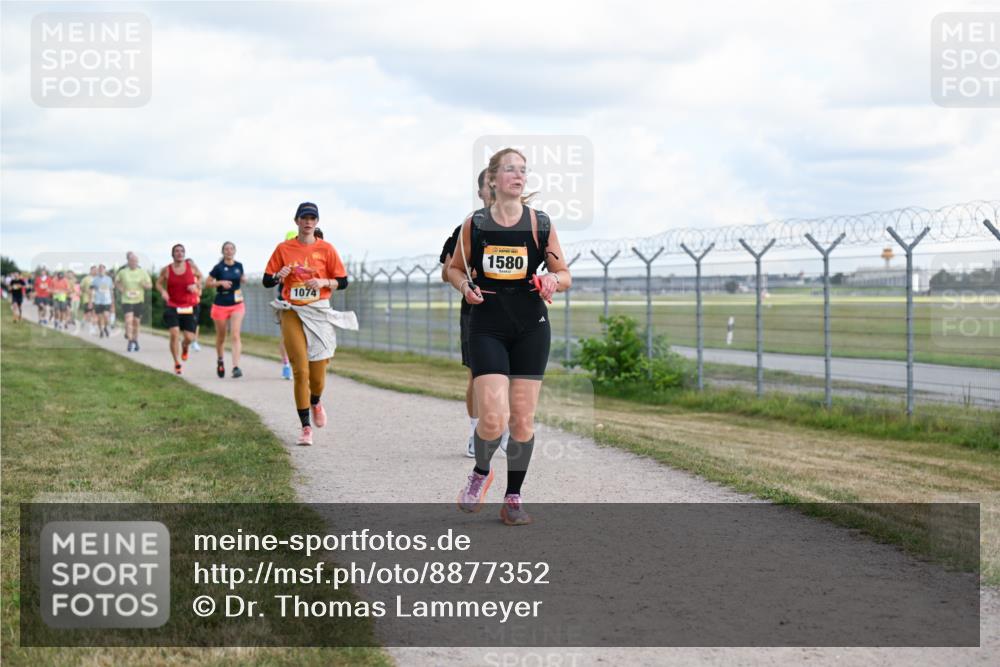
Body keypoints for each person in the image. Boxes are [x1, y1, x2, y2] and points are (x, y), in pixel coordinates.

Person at [447, 148, 572, 526]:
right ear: (493, 179)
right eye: (510, 170)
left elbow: (564, 274)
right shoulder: (476, 224)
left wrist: (552, 278)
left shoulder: (541, 223)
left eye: (523, 170)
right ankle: (481, 472)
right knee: (493, 420)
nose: (518, 175)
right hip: (487, 326)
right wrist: (465, 285)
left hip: (531, 326)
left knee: (521, 421)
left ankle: (513, 498)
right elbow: (453, 269)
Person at [263, 202, 354, 446]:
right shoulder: (284, 248)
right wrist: (278, 276)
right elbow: (266, 280)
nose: (308, 222)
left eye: (312, 218)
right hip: (293, 311)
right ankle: (305, 427)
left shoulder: (326, 249)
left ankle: (315, 401)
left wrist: (324, 282)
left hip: (318, 311)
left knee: (318, 374)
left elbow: (343, 281)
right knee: (300, 370)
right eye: (304, 218)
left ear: (317, 222)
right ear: (297, 221)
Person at [440, 168, 510, 457]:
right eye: (489, 187)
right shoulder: (466, 229)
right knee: (478, 374)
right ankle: (476, 432)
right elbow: (447, 271)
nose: (494, 192)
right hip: (477, 310)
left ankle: (503, 428)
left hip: (513, 310)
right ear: (481, 192)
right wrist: (469, 278)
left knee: (512, 375)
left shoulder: (520, 227)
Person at [155, 244, 203, 374]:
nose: (179, 253)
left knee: (189, 337)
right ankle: (177, 362)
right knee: (174, 333)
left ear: (184, 254)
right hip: (173, 305)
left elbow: (201, 277)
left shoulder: (191, 267)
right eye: (177, 251)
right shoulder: (167, 270)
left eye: (182, 251)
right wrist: (163, 291)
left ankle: (185, 346)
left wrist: (195, 284)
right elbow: (158, 283)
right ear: (173, 254)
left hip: (189, 306)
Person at [206, 242, 246, 378]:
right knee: (221, 337)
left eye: (231, 249)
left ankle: (236, 367)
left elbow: (241, 278)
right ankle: (220, 360)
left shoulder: (239, 265)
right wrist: (220, 283)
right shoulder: (218, 267)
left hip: (237, 304)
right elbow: (207, 283)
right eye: (226, 249)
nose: (229, 251)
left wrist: (244, 279)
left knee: (235, 335)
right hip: (220, 304)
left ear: (235, 251)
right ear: (222, 252)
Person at [115, 252, 153, 352]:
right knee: (128, 320)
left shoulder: (142, 272)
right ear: (128, 262)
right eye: (131, 261)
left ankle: (135, 340)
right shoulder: (123, 272)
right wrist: (120, 288)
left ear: (137, 262)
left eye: (135, 261)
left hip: (139, 300)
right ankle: (130, 341)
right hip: (126, 299)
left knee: (136, 322)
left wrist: (145, 285)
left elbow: (150, 285)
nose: (133, 263)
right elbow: (117, 282)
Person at [90, 265, 114, 337]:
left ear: (105, 270)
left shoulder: (109, 279)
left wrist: (113, 301)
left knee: (106, 317)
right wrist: (90, 301)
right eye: (99, 270)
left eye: (102, 269)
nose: (101, 271)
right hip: (98, 301)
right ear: (98, 271)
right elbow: (91, 290)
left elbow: (111, 290)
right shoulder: (94, 279)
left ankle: (105, 327)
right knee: (100, 317)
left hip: (107, 301)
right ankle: (101, 330)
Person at [80, 266, 97, 334]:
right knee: (88, 314)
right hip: (87, 298)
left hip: (96, 299)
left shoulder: (98, 279)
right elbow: (81, 287)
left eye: (96, 270)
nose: (95, 271)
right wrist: (86, 291)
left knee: (94, 313)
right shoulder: (86, 279)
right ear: (90, 271)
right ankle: (84, 322)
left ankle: (92, 328)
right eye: (94, 270)